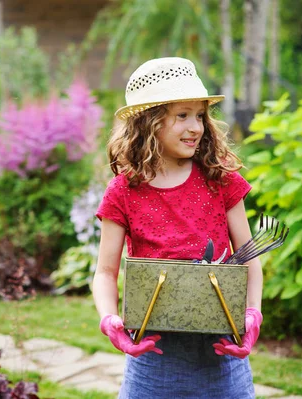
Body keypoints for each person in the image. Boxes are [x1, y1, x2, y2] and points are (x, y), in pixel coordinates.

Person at [92, 57, 263, 398]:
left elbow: (249, 259)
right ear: (148, 121)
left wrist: (252, 312)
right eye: (182, 115)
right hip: (154, 360)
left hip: (221, 355)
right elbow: (105, 272)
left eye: (199, 115)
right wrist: (109, 319)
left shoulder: (220, 179)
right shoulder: (124, 192)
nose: (196, 127)